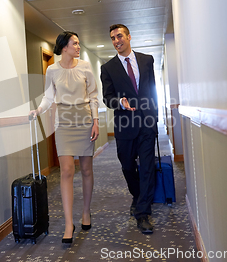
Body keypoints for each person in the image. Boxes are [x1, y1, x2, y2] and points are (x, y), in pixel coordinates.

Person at [29, 31, 99, 244]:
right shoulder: (52, 70)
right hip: (64, 123)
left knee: (86, 169)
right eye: (74, 43)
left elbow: (94, 95)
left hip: (85, 120)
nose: (78, 46)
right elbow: (49, 96)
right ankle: (69, 223)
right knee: (67, 170)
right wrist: (38, 110)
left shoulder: (85, 66)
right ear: (64, 47)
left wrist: (96, 121)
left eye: (78, 43)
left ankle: (85, 212)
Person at [100, 24, 158, 234]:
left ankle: (143, 212)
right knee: (127, 166)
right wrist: (119, 102)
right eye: (113, 38)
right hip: (125, 125)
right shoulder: (108, 68)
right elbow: (107, 98)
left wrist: (155, 117)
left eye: (119, 36)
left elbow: (152, 89)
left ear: (129, 37)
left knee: (148, 167)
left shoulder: (146, 60)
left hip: (147, 123)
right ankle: (137, 195)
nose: (116, 41)